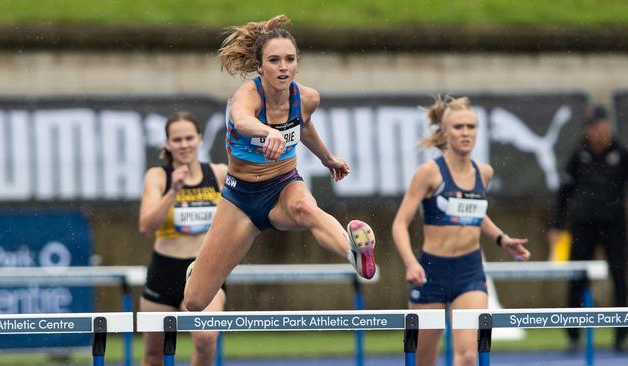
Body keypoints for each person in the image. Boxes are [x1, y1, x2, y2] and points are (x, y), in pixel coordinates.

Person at [183, 15, 376, 312]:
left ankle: (356, 255)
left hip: (284, 185)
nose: (283, 66)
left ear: (297, 63)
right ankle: (198, 270)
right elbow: (242, 120)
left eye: (290, 59)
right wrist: (267, 131)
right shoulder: (248, 95)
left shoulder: (307, 98)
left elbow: (305, 126)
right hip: (240, 199)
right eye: (274, 60)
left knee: (306, 208)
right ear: (260, 67)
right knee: (195, 302)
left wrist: (328, 158)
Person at [391, 96, 530, 366]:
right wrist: (410, 263)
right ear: (445, 132)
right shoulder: (429, 173)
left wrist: (502, 239)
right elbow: (399, 224)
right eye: (458, 127)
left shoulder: (484, 173)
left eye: (471, 126)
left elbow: (473, 211)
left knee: (468, 357)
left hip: (470, 272)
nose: (465, 132)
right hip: (430, 273)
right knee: (423, 360)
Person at [138, 112, 228, 366]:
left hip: (204, 269)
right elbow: (146, 226)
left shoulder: (218, 174)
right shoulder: (158, 176)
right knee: (154, 354)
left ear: (200, 139)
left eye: (189, 137)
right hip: (165, 270)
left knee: (205, 337)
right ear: (167, 144)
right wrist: (173, 193)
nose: (184, 144)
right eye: (177, 140)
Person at [548, 105, 628, 352]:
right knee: (576, 281)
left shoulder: (621, 154)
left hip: (614, 226)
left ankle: (621, 337)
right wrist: (556, 226)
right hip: (583, 226)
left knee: (621, 280)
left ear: (606, 124)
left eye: (596, 125)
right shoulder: (578, 154)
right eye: (589, 126)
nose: (593, 131)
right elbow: (563, 192)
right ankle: (573, 336)